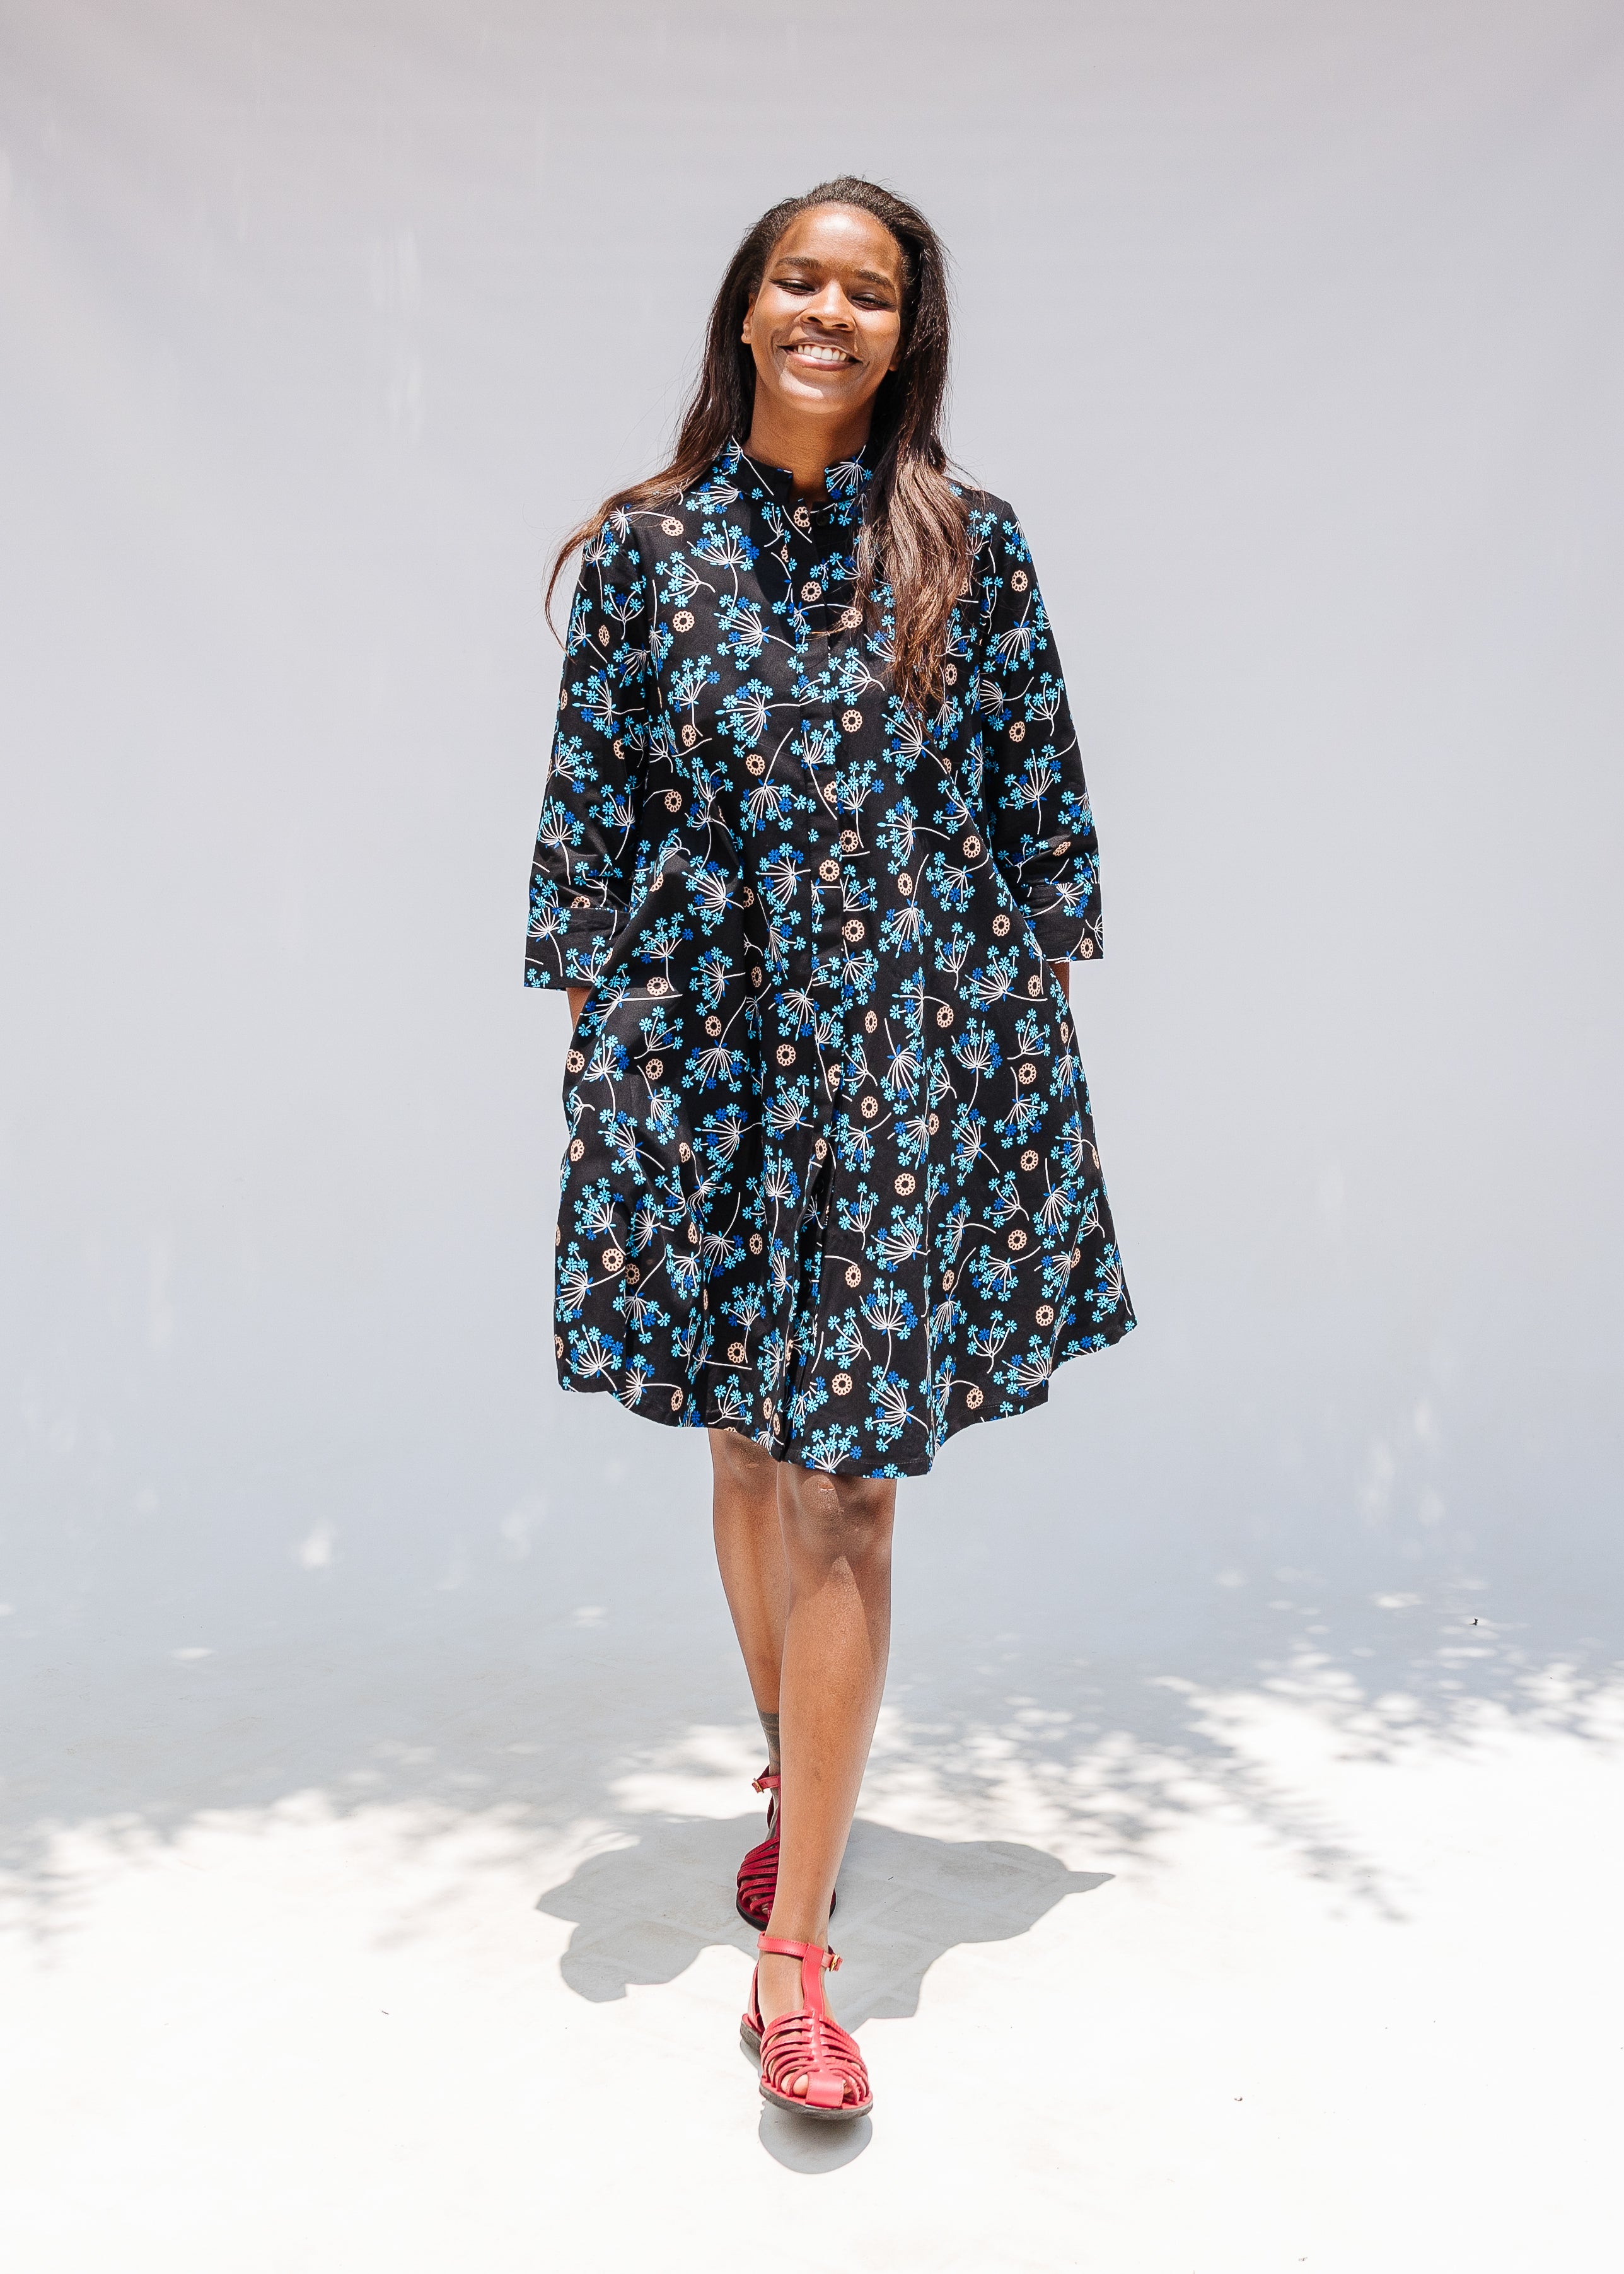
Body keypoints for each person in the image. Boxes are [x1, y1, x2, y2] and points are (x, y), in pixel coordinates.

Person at [526, 177, 1134, 2121]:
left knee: (847, 1489)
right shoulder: (645, 552)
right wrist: (610, 1071)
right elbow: (592, 824)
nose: (829, 312)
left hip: (902, 1056)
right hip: (706, 1050)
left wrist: (998, 1096)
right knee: (742, 1443)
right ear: (745, 308)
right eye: (800, 278)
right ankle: (803, 1770)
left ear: (904, 335)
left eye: (870, 292)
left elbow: (1039, 816)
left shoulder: (972, 545)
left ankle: (793, 1961)